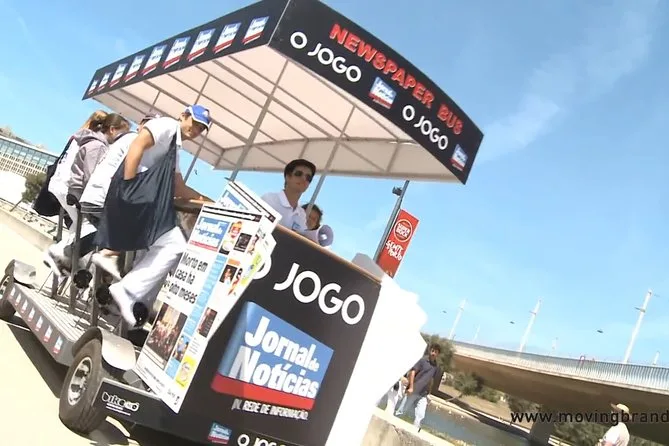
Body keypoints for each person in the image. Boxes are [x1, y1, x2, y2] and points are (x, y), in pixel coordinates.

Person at [107, 105, 213, 327]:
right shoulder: (166, 125)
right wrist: (129, 186)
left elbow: (178, 186)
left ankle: (128, 296)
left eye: (201, 128)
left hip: (140, 199)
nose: (196, 130)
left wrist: (206, 200)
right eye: (194, 123)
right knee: (174, 244)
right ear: (183, 115)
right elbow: (137, 145)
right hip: (132, 196)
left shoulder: (175, 145)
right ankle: (126, 289)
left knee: (163, 247)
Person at [43, 113, 129, 277]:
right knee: (95, 226)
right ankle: (62, 252)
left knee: (83, 225)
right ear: (112, 129)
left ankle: (67, 258)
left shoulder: (89, 140)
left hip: (68, 188)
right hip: (78, 191)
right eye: (122, 133)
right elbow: (91, 175)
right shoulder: (99, 146)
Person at [78, 113, 161, 278]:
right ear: (141, 125)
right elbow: (133, 175)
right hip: (102, 199)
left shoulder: (126, 139)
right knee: (134, 234)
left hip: (92, 196)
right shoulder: (136, 141)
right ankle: (100, 262)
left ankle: (73, 257)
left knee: (111, 236)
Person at [261, 159, 320, 243]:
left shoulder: (302, 215)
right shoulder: (269, 199)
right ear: (288, 177)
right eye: (298, 174)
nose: (304, 179)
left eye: (308, 178)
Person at [394, 343, 442, 429]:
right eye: (432, 351)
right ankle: (391, 425)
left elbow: (431, 380)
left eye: (436, 352)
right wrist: (411, 387)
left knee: (420, 415)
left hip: (423, 394)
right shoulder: (422, 361)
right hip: (414, 391)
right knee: (402, 411)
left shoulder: (436, 367)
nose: (433, 353)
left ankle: (415, 429)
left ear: (438, 354)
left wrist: (429, 394)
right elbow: (412, 372)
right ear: (429, 351)